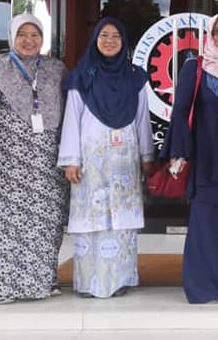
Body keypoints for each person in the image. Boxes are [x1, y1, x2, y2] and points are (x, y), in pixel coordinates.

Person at [0, 14, 68, 304]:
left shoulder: (55, 70)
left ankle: (39, 284)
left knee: (41, 227)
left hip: (44, 169)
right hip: (2, 167)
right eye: (23, 34)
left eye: (35, 35)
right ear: (12, 37)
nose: (29, 40)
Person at [58, 17, 154, 299]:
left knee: (121, 221)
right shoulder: (81, 75)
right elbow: (71, 118)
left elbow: (142, 119)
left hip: (124, 160)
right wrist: (71, 159)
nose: (110, 41)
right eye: (104, 35)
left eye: (116, 36)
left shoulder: (135, 76)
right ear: (95, 40)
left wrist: (146, 155)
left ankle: (121, 279)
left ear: (124, 42)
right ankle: (89, 283)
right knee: (93, 219)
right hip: (91, 161)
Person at [165, 14, 218, 304]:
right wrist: (179, 152)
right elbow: (180, 112)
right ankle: (202, 286)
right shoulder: (197, 68)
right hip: (206, 159)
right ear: (210, 36)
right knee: (205, 220)